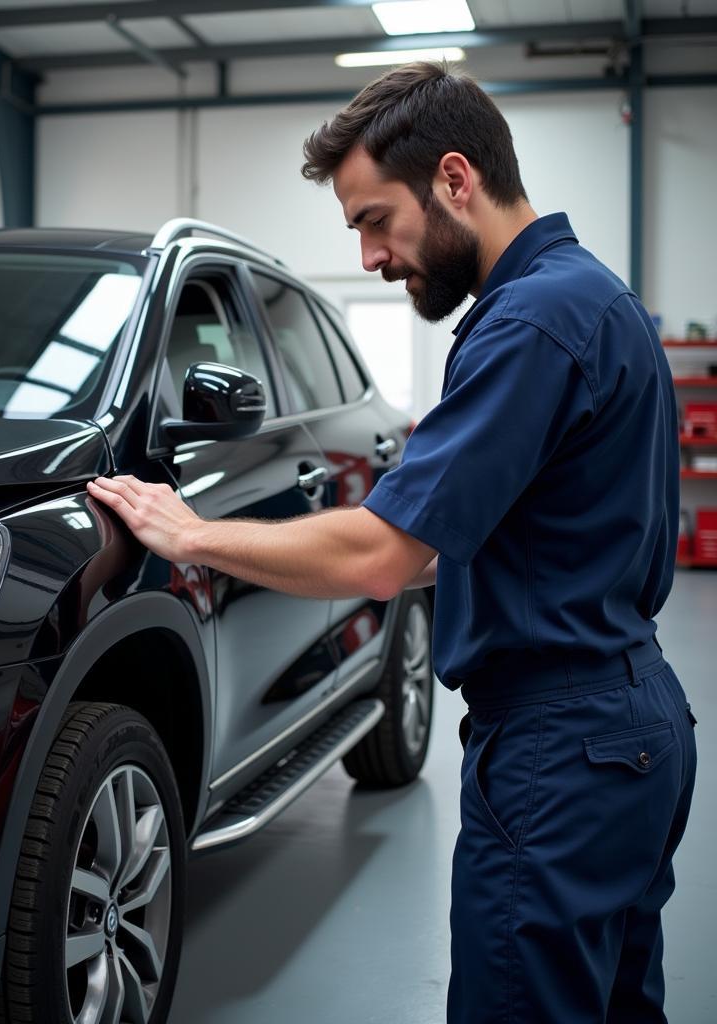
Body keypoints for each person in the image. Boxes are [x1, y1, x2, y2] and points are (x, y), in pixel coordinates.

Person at [87, 63, 697, 1024]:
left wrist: (194, 531)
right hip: (630, 727)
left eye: (375, 220)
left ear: (455, 179)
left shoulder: (530, 322)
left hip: (559, 749)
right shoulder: (596, 299)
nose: (370, 256)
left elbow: (384, 555)